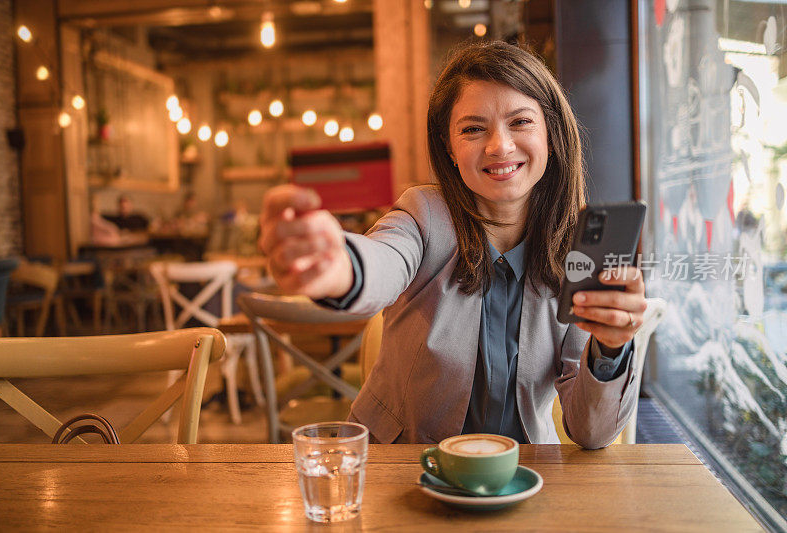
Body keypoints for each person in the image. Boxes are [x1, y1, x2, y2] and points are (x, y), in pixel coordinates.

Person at [258, 41, 646, 447]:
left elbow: (592, 431)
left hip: (520, 480)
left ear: (550, 133)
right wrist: (335, 264)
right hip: (402, 468)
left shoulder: (576, 253)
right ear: (449, 146)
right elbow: (380, 261)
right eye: (473, 129)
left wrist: (611, 347)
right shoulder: (423, 216)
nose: (499, 146)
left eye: (520, 122)